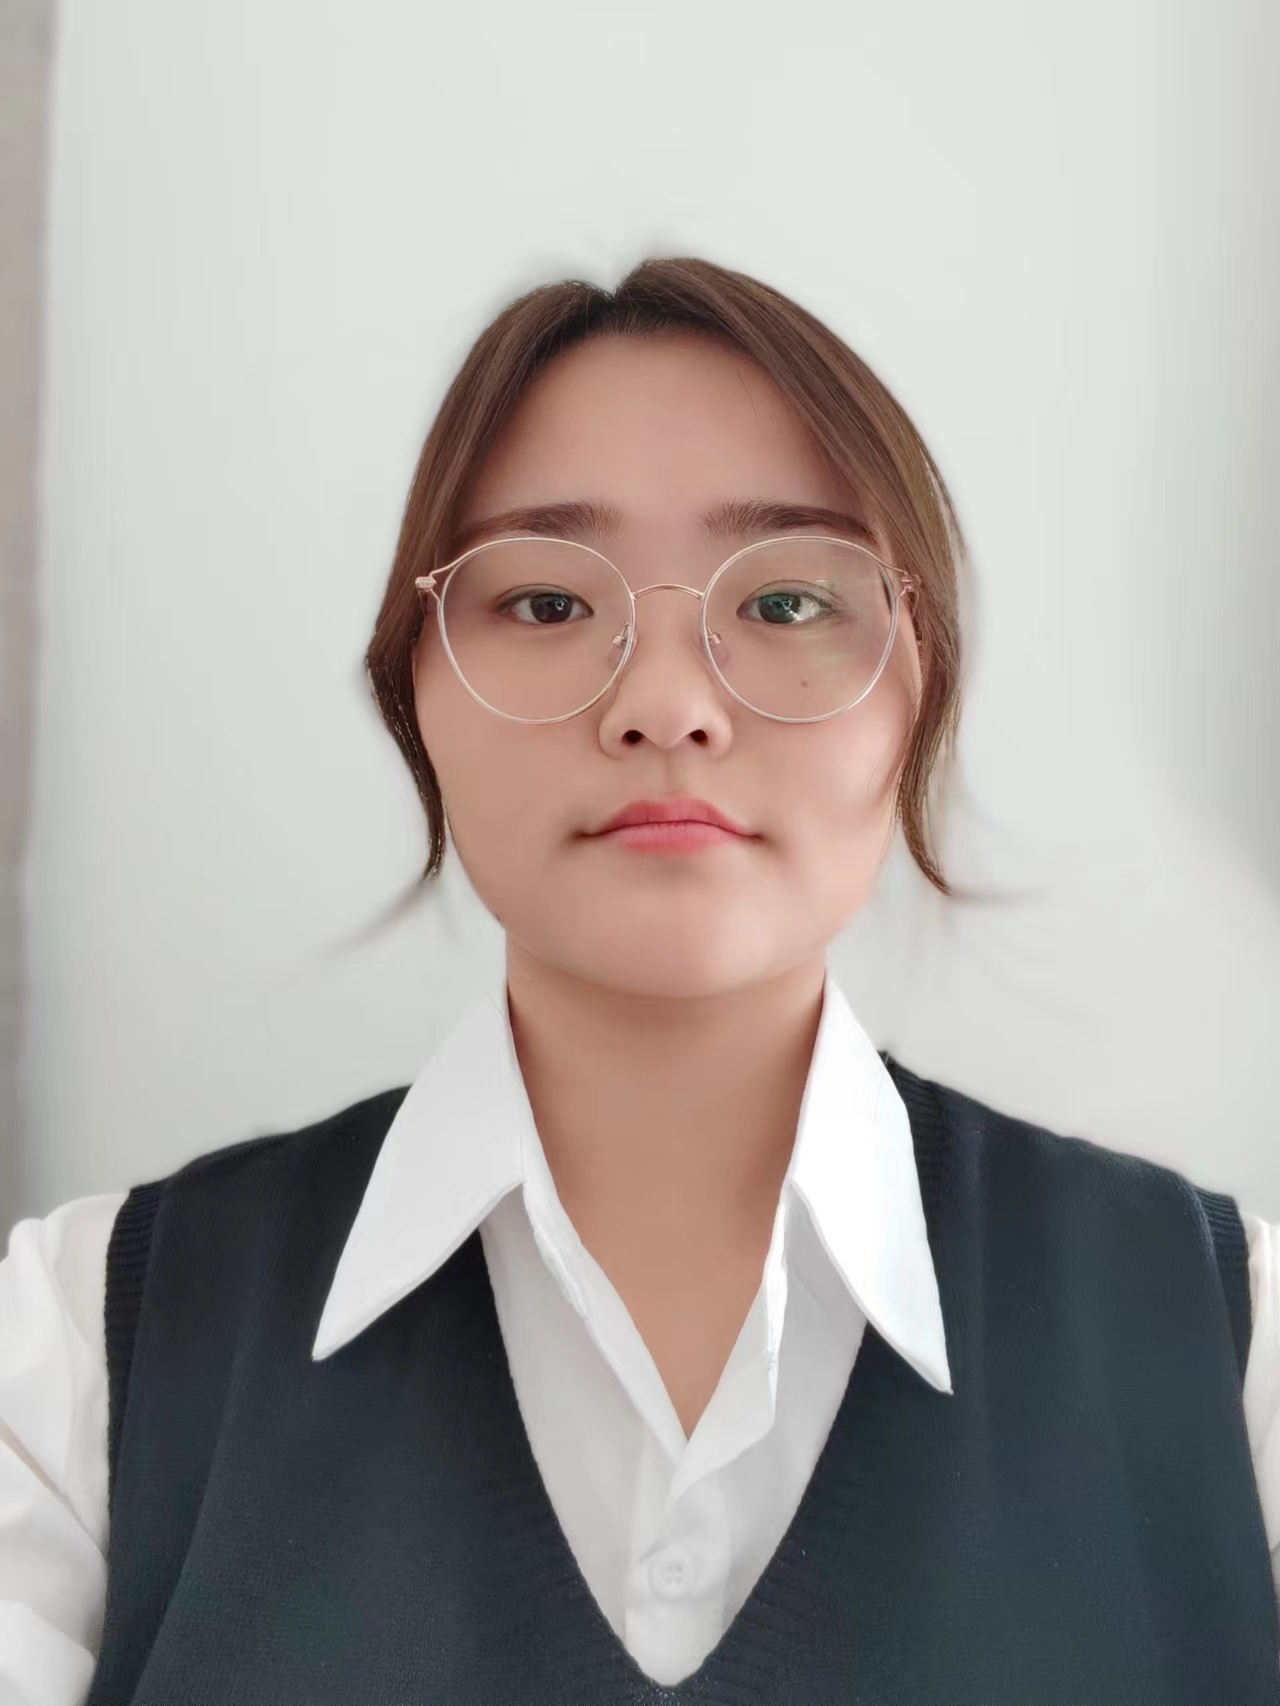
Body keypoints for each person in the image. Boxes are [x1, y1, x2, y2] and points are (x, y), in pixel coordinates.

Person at [1, 256, 1277, 1704]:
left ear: (920, 689)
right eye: (548, 602)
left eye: (786, 601)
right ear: (414, 690)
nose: (666, 707)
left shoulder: (1237, 1348)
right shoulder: (77, 1352)